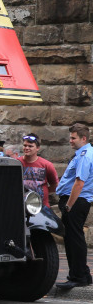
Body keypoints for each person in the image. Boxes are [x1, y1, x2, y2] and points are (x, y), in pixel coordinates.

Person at [55, 123, 93, 289]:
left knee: (73, 239)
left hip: (76, 201)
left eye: (73, 138)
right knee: (74, 238)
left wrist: (69, 205)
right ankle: (83, 274)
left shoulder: (85, 155)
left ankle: (77, 277)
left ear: (83, 138)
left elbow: (79, 183)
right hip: (78, 201)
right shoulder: (83, 153)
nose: (70, 140)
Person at [19, 134, 58, 209]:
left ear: (37, 148)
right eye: (25, 145)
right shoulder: (17, 163)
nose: (26, 148)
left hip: (41, 206)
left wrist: (42, 192)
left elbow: (55, 185)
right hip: (20, 206)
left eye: (30, 146)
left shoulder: (47, 165)